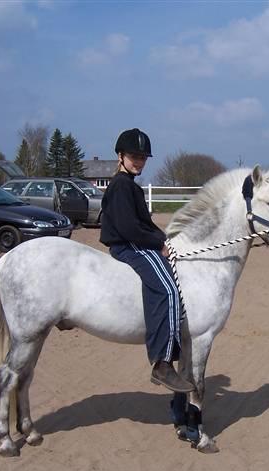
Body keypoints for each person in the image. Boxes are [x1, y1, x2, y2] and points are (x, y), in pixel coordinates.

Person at [99, 128, 194, 393]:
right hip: (129, 247)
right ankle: (162, 364)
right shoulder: (120, 186)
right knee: (167, 289)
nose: (139, 161)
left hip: (137, 242)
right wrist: (158, 243)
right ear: (121, 156)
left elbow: (145, 224)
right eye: (134, 156)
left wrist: (165, 239)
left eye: (143, 157)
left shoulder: (130, 186)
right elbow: (130, 228)